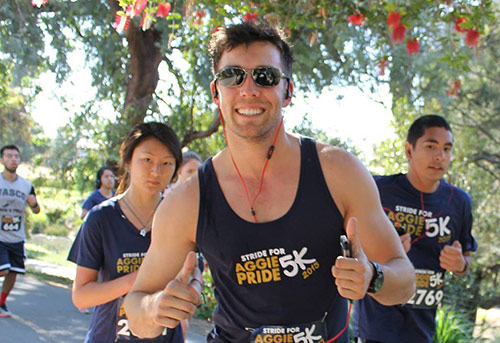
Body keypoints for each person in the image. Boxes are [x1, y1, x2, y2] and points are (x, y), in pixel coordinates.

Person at [124, 21, 415, 343]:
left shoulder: (339, 172)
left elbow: (404, 282)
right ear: (215, 92)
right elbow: (136, 308)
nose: (248, 89)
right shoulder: (187, 200)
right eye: (232, 76)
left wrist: (372, 277)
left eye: (265, 77)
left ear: (287, 91)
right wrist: (154, 309)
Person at [352, 115, 477, 343]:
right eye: (431, 146)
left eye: (447, 149)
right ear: (409, 150)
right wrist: (384, 251)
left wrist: (460, 264)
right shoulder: (378, 189)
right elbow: (349, 245)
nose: (440, 156)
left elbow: (466, 261)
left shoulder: (459, 202)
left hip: (421, 330)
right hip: (376, 327)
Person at [67, 122, 185, 343]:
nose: (156, 171)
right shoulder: (100, 219)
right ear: (129, 161)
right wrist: (138, 280)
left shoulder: (180, 220)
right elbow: (81, 296)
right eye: (147, 159)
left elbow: (189, 280)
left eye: (167, 163)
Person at [0, 145, 41, 318]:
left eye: (16, 156)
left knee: (14, 271)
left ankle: (1, 303)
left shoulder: (26, 185)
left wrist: (33, 204)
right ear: (2, 160)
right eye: (9, 156)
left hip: (17, 236)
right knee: (3, 269)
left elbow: (37, 210)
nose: (13, 159)